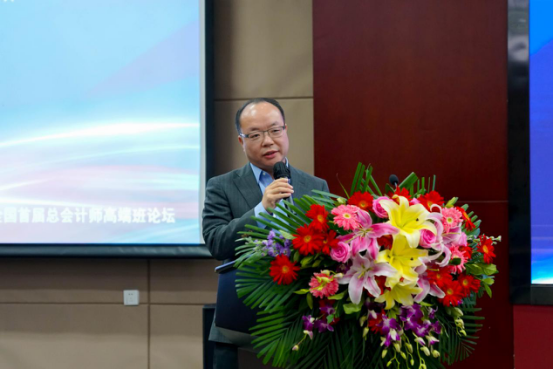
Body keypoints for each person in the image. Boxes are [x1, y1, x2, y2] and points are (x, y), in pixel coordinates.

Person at [202, 98, 329, 369]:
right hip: (241, 328)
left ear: (286, 131)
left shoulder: (315, 186)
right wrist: (261, 209)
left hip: (304, 327)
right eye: (256, 135)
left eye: (275, 130)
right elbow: (216, 243)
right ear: (241, 141)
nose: (268, 141)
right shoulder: (221, 187)